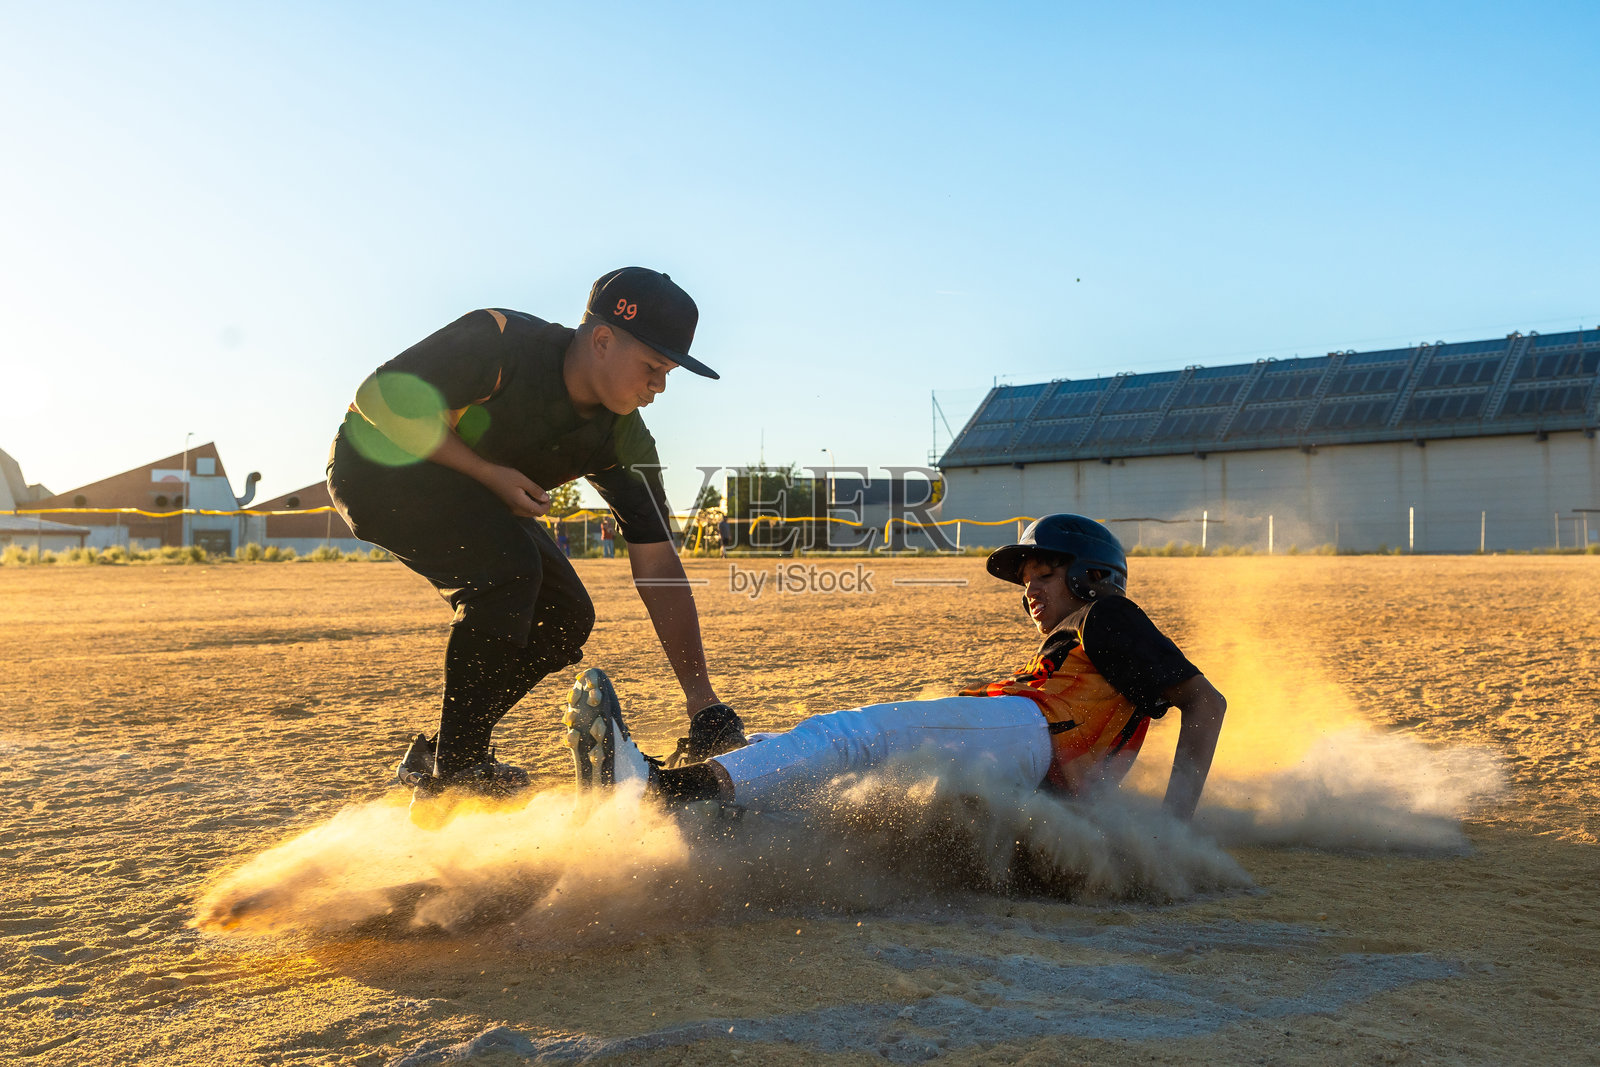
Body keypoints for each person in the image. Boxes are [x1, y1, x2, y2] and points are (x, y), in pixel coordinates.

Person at [326, 267, 748, 820]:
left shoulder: (623, 437)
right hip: (380, 471)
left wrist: (702, 700)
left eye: (667, 373)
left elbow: (657, 561)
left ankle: (442, 757)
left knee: (567, 616)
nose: (659, 387)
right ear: (602, 340)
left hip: (472, 496)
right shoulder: (500, 342)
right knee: (511, 571)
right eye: (652, 367)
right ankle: (458, 771)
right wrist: (485, 470)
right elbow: (376, 399)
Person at [562, 514, 1226, 822]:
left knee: (851, 737)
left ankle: (661, 793)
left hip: (1031, 740)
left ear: (1092, 576)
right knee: (834, 779)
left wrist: (1172, 827)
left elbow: (1205, 702)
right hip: (1039, 781)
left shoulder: (1106, 615)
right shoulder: (1081, 644)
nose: (1030, 590)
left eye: (1045, 573)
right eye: (1027, 579)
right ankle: (692, 818)